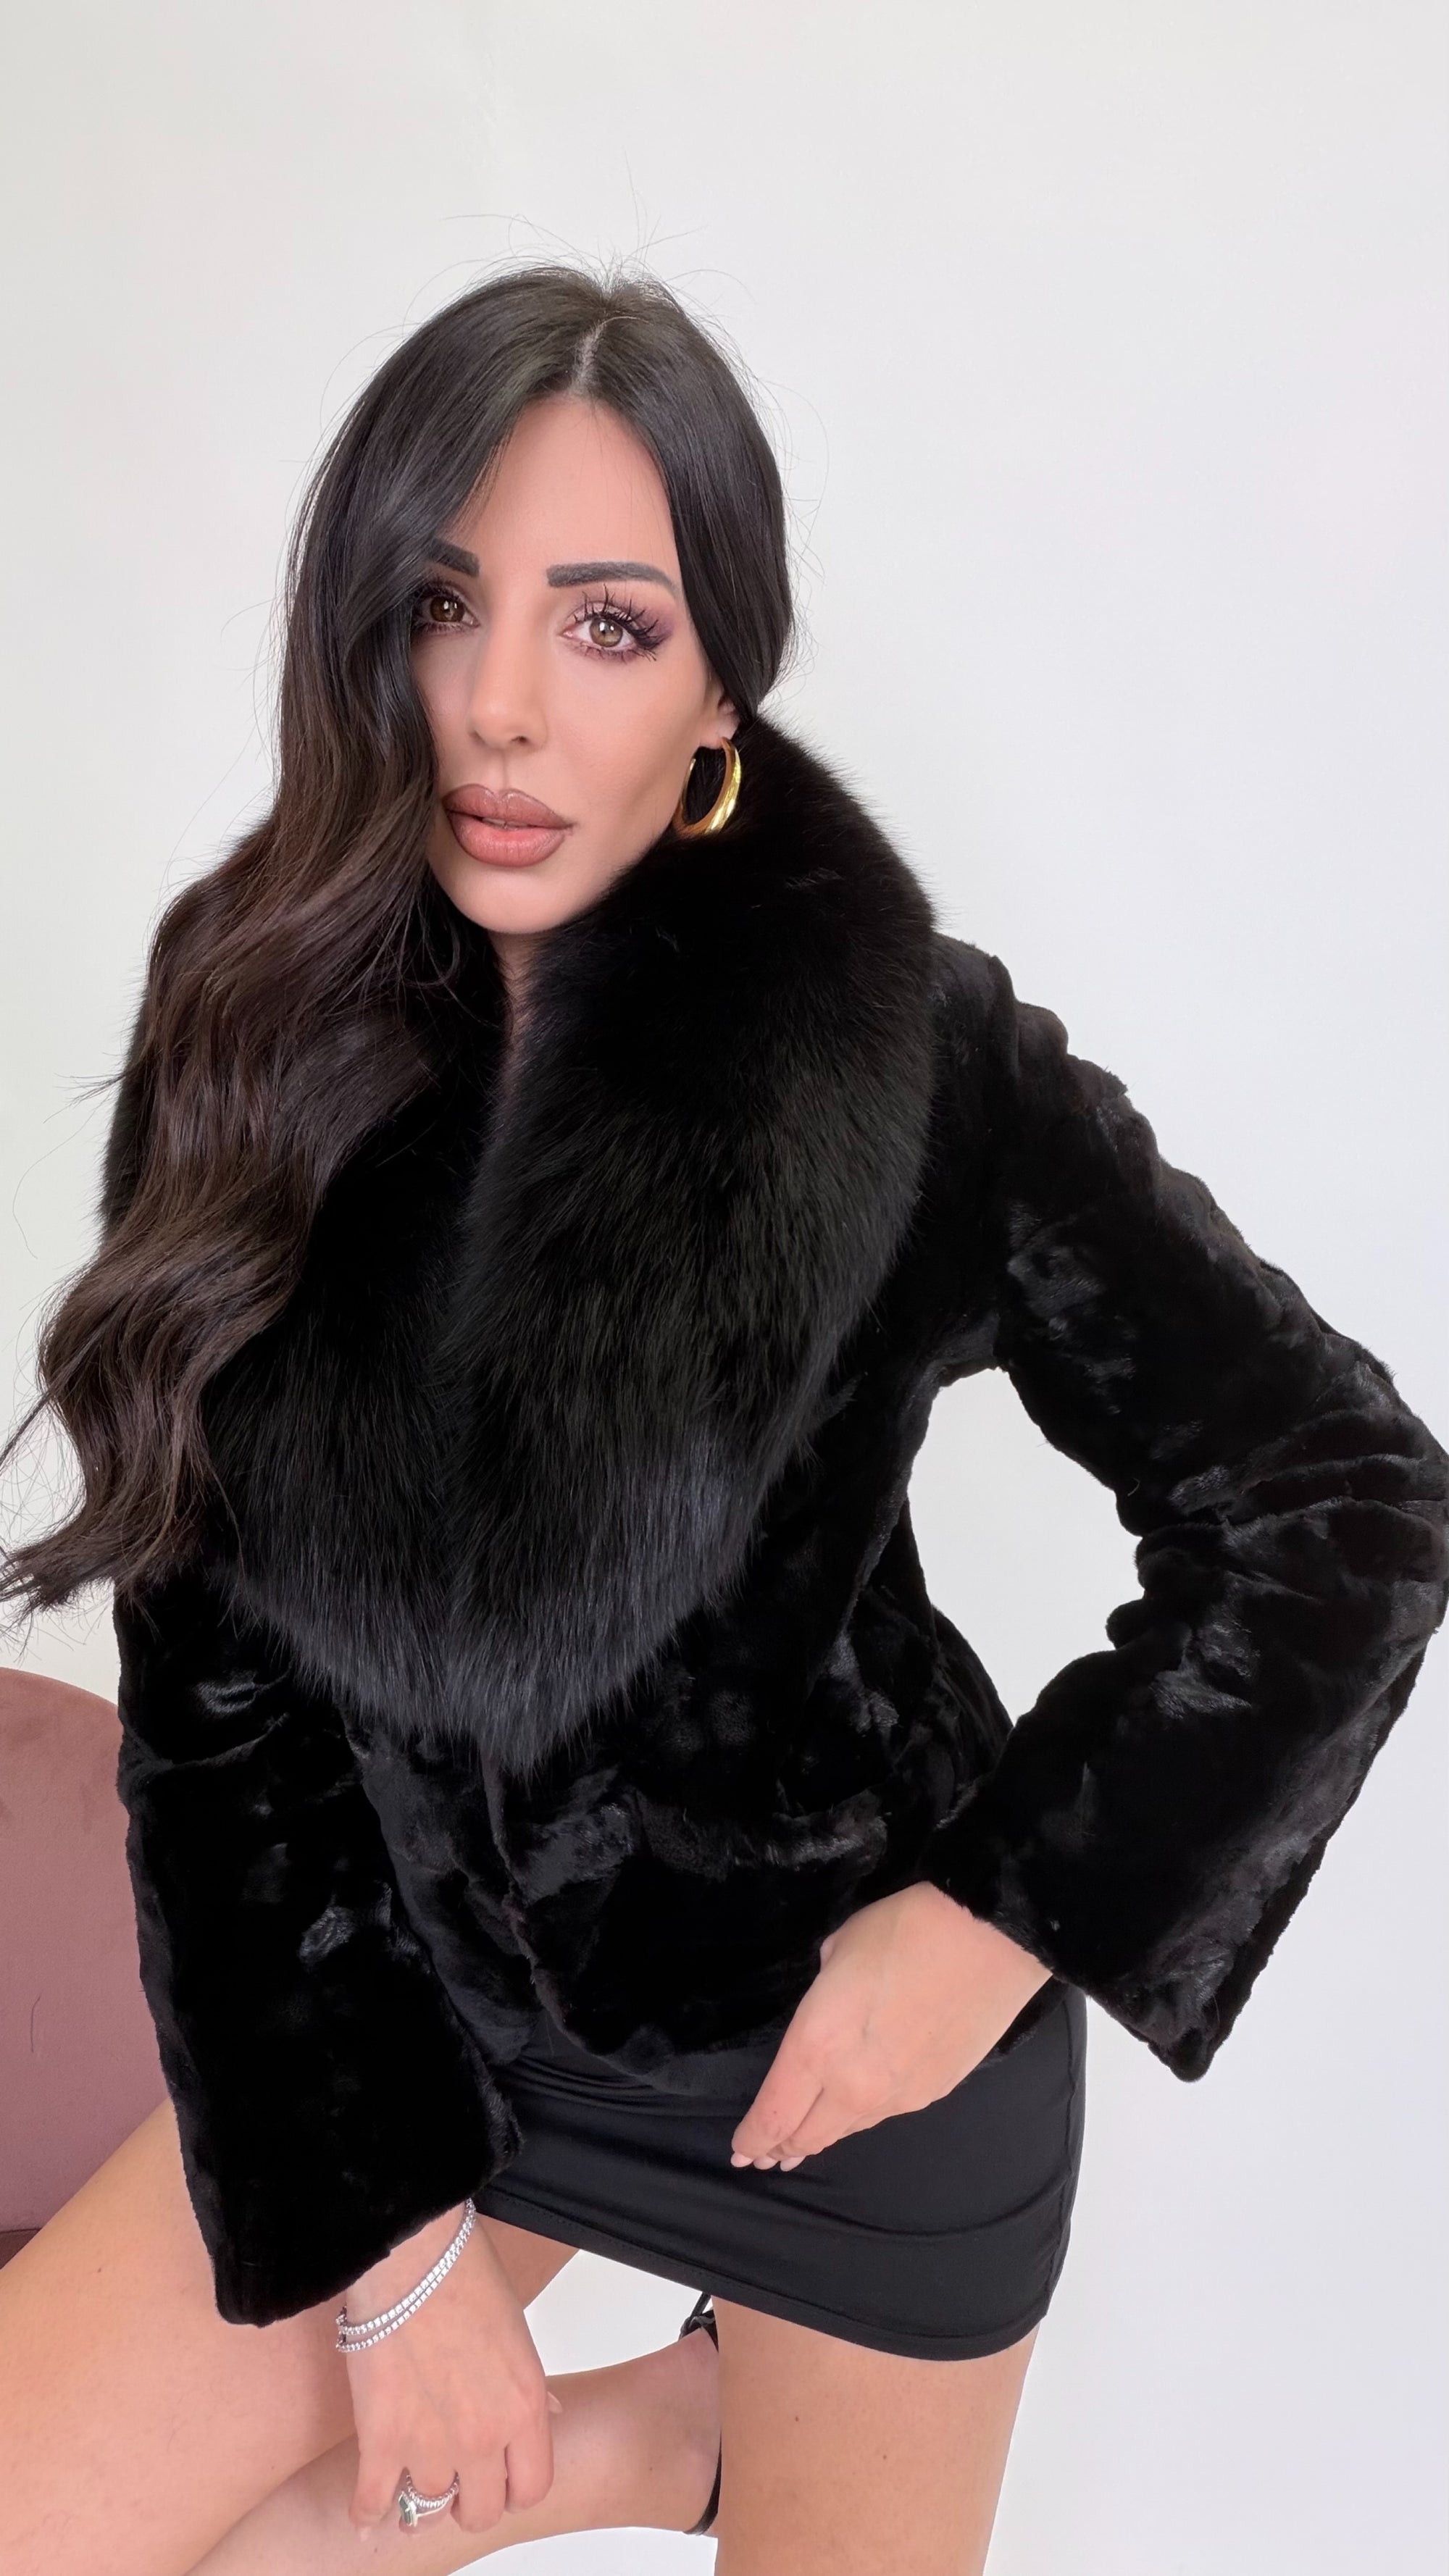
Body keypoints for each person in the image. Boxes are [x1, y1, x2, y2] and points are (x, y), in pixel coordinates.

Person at [1, 262, 1445, 2576]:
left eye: (607, 624)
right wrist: (392, 2260)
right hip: (402, 2028)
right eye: (443, 605)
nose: (497, 705)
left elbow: (1345, 1500)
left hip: (843, 2060)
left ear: (717, 691)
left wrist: (994, 1924)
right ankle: (664, 2432)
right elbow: (214, 1696)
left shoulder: (917, 1060)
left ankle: (672, 2439)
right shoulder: (254, 1016)